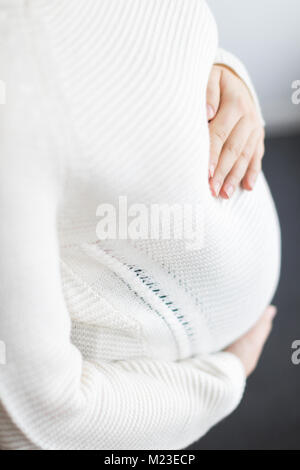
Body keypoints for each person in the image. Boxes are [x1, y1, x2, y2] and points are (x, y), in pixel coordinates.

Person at [0, 0, 280, 450]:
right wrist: (224, 376)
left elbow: (156, 58)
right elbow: (35, 418)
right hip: (161, 387)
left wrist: (227, 78)